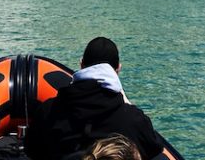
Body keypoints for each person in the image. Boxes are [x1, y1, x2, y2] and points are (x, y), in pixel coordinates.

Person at [24, 37, 166, 160]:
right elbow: (155, 148)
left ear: (81, 65)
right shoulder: (133, 120)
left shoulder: (47, 111)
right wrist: (129, 106)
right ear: (118, 70)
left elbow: (31, 150)